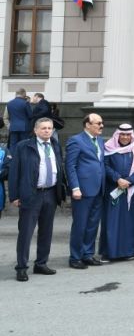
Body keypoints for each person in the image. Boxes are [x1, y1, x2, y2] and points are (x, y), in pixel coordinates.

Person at [9, 118, 65, 282]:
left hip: (50, 194)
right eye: (43, 128)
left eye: (50, 128)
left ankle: (41, 263)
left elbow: (58, 168)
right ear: (35, 130)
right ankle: (21, 267)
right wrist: (14, 196)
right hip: (31, 194)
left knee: (46, 232)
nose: (47, 131)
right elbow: (14, 173)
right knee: (26, 233)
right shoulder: (23, 146)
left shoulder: (54, 145)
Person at [66, 113, 106, 269]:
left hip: (98, 189)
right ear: (87, 125)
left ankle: (88, 254)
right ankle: (75, 257)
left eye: (102, 123)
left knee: (92, 224)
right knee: (80, 225)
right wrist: (75, 187)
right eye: (98, 123)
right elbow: (70, 166)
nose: (101, 126)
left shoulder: (100, 140)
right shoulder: (76, 141)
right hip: (82, 190)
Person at [100, 124, 134, 261]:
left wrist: (130, 180)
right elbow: (104, 166)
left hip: (131, 189)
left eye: (128, 134)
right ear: (117, 135)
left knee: (129, 221)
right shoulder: (108, 147)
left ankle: (128, 251)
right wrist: (117, 179)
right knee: (111, 221)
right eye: (122, 134)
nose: (125, 137)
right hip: (113, 188)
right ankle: (109, 253)